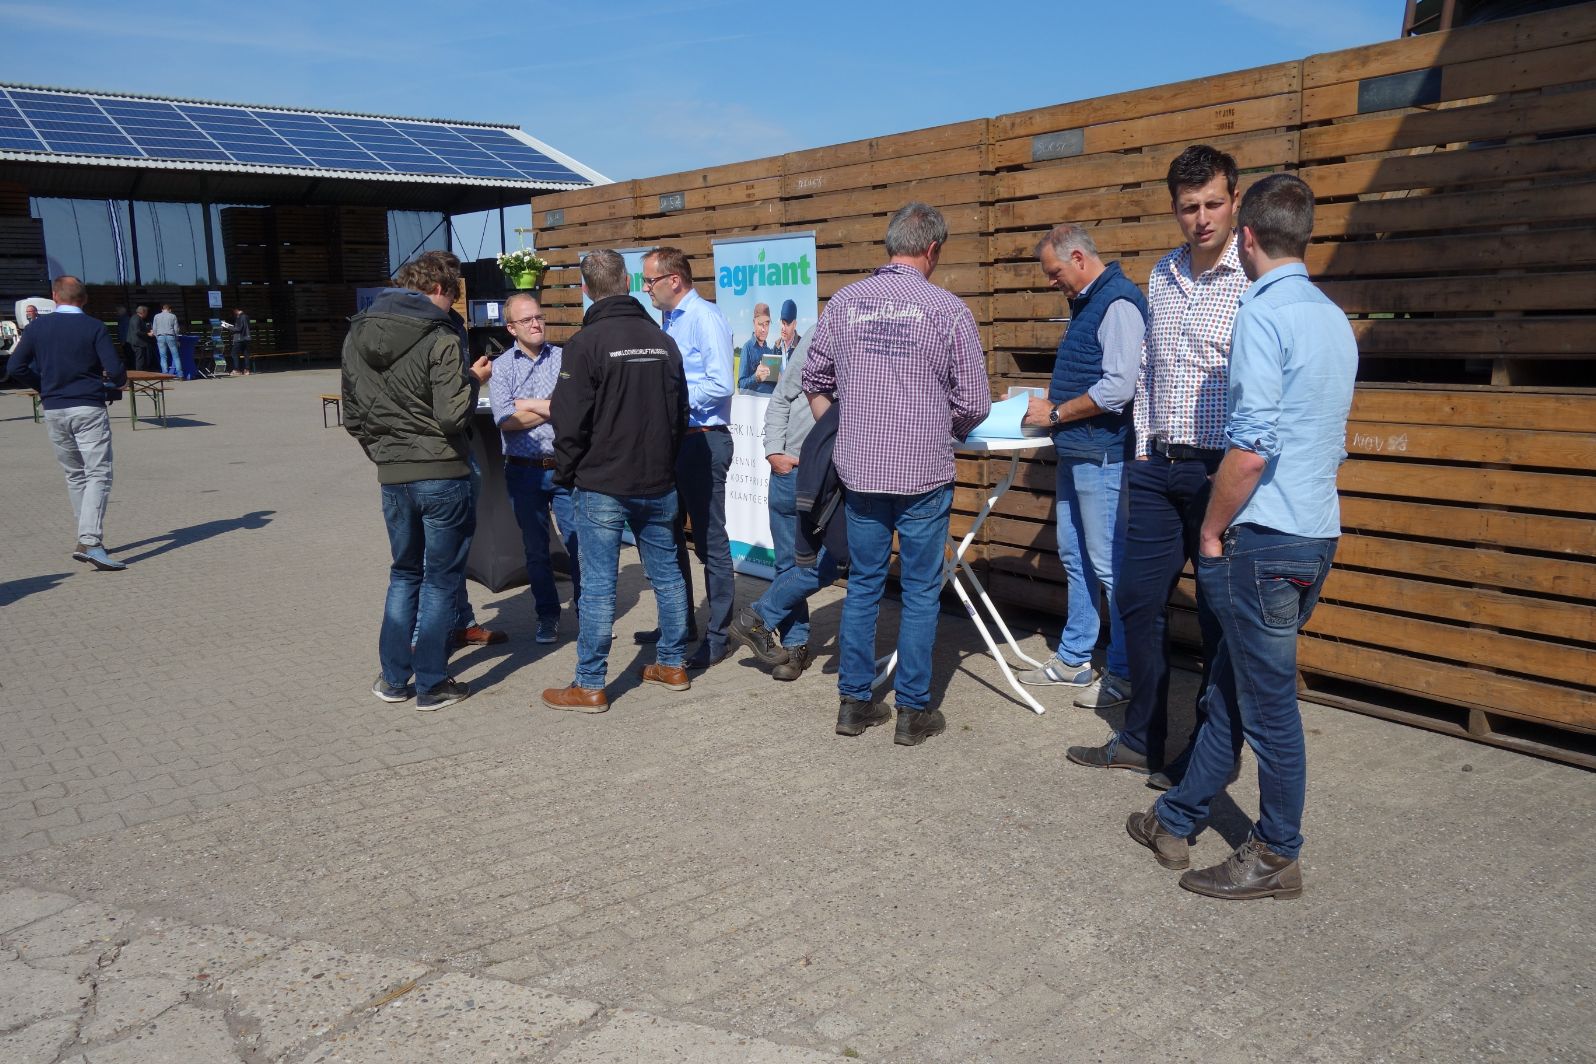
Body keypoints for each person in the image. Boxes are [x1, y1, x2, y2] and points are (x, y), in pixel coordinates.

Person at [1125, 173, 1355, 900]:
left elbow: (1251, 447)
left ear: (1247, 235)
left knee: (1269, 710)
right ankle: (1176, 816)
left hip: (1266, 539)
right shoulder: (1332, 318)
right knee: (1231, 684)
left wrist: (1212, 529)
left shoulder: (1261, 312)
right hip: (1316, 534)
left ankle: (1277, 852)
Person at [1067, 144, 1250, 785]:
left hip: (1217, 472)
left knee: (1218, 617)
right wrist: (1143, 447)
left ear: (1234, 202)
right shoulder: (1163, 274)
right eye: (1189, 207)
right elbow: (1146, 372)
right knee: (1138, 603)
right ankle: (1142, 738)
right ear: (1175, 209)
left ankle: (1206, 755)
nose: (1202, 218)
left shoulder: (1251, 279)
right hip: (1156, 465)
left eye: (1213, 204)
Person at [802, 202, 990, 746]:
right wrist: (940, 428)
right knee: (921, 590)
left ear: (891, 244)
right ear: (932, 249)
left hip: (859, 471)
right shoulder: (948, 310)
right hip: (923, 471)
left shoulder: (845, 301)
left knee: (863, 583)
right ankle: (912, 711)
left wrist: (846, 429)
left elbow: (814, 379)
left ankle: (853, 704)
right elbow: (974, 403)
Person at [342, 250, 492, 712]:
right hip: (442, 472)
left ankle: (393, 679)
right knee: (440, 581)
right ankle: (431, 682)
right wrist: (473, 379)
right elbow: (451, 415)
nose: (453, 309)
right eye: (452, 299)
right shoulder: (439, 335)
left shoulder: (356, 332)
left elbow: (353, 417)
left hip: (394, 476)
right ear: (440, 289)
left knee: (404, 573)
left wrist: (386, 456)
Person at [542, 248, 691, 713]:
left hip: (603, 483)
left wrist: (566, 473)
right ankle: (673, 664)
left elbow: (568, 420)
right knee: (668, 577)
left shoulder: (584, 345)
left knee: (599, 586)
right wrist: (665, 462)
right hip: (657, 480)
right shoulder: (662, 341)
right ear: (627, 282)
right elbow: (680, 413)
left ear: (586, 290)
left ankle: (590, 683)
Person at [1016, 225, 1144, 711]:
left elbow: (1118, 388)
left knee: (1110, 565)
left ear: (1077, 257)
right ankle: (1074, 658)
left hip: (1103, 454)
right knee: (1075, 556)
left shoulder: (1118, 303)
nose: (1052, 282)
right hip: (1079, 452)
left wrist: (1055, 413)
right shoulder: (1089, 302)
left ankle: (1126, 675)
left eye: (1054, 272)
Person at [639, 245, 736, 670]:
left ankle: (719, 636)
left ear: (673, 280)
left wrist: (671, 399)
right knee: (668, 534)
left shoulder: (704, 318)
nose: (646, 289)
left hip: (703, 440)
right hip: (676, 441)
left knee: (711, 540)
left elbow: (721, 384)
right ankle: (678, 624)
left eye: (650, 281)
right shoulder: (670, 320)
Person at [6, 276, 129, 571]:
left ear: (54, 296)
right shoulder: (94, 327)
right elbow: (115, 370)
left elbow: (15, 366)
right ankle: (90, 540)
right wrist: (117, 382)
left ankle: (86, 537)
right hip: (87, 406)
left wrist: (43, 386)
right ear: (84, 299)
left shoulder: (37, 327)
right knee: (98, 474)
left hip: (54, 409)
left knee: (75, 475)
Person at [729, 334, 829, 680]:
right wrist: (774, 450)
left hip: (834, 474)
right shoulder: (821, 335)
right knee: (789, 563)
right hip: (792, 469)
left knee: (831, 560)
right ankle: (795, 646)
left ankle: (756, 617)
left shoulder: (873, 339)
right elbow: (782, 395)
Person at [489, 291, 579, 645]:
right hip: (523, 471)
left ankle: (589, 613)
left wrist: (526, 403)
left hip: (565, 467)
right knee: (536, 550)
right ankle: (547, 616)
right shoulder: (502, 367)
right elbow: (505, 420)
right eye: (526, 320)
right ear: (511, 328)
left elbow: (573, 409)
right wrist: (551, 406)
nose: (536, 324)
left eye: (539, 317)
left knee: (579, 544)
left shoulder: (564, 358)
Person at [736, 302, 778, 395]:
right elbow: (740, 387)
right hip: (754, 403)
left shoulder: (769, 351)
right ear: (754, 323)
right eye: (760, 324)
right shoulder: (747, 348)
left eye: (766, 324)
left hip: (770, 402)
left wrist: (779, 380)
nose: (764, 329)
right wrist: (756, 378)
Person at [152, 303, 182, 378]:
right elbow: (176, 329)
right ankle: (180, 374)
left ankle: (165, 374)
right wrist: (177, 339)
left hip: (160, 336)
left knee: (163, 356)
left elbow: (154, 329)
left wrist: (157, 337)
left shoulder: (156, 316)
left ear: (162, 309)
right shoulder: (173, 316)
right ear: (170, 310)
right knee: (175, 356)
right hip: (170, 336)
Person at [220, 307, 251, 375]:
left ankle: (236, 370)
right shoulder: (247, 316)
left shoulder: (239, 317)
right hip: (247, 338)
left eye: (234, 311)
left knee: (234, 353)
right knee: (246, 354)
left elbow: (238, 329)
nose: (233, 313)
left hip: (239, 338)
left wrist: (226, 326)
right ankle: (247, 370)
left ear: (236, 310)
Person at [126, 305, 154, 372]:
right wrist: (148, 334)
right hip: (138, 343)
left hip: (138, 342)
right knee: (140, 359)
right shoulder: (136, 319)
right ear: (143, 312)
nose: (147, 314)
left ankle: (141, 372)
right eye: (146, 312)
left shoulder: (136, 318)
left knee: (141, 359)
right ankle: (139, 373)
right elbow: (137, 331)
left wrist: (148, 330)